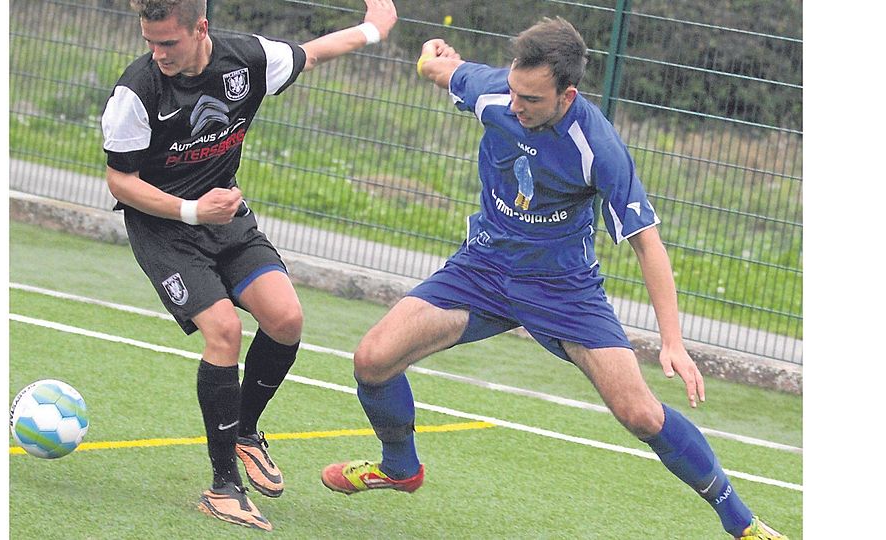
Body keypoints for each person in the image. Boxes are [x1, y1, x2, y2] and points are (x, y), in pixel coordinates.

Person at [320, 17, 787, 540]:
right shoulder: (497, 92)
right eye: (514, 91)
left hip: (563, 291)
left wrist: (672, 341)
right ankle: (400, 469)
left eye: (532, 100)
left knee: (639, 414)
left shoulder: (598, 147)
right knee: (372, 359)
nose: (516, 107)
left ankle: (741, 524)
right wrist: (431, 57)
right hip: (484, 269)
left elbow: (647, 243)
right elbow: (443, 69)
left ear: (568, 95)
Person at [100, 0, 397, 531]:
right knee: (225, 332)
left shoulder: (246, 60)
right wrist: (190, 209)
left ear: (201, 28)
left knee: (286, 320)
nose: (157, 53)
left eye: (168, 42)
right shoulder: (135, 91)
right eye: (150, 42)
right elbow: (120, 182)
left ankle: (245, 432)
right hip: (165, 230)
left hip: (227, 217)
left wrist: (374, 29)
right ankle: (222, 486)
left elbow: (312, 52)